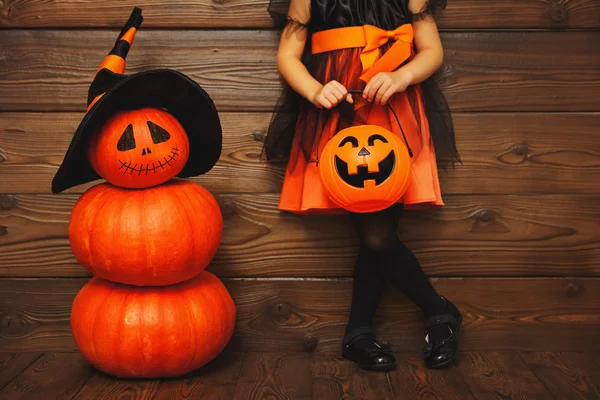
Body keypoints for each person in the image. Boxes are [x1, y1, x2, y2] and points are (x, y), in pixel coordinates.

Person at [264, 0, 463, 370]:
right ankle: (433, 314)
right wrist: (313, 90)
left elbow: (432, 50)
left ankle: (362, 333)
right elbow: (288, 56)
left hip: (392, 109)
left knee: (377, 233)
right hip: (337, 109)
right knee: (375, 233)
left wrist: (402, 76)